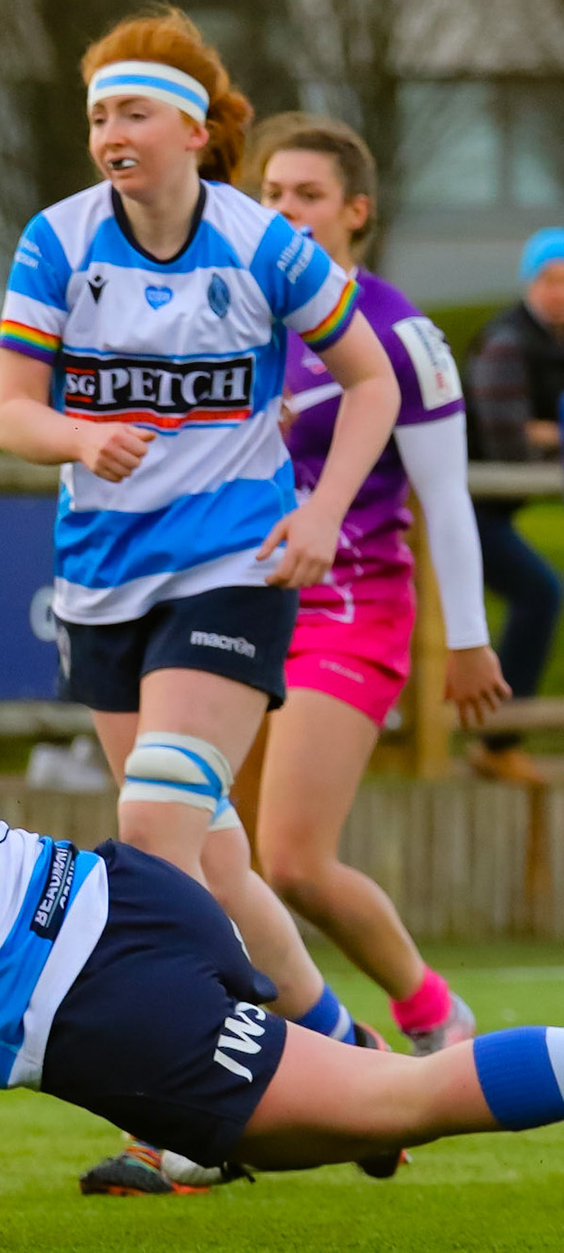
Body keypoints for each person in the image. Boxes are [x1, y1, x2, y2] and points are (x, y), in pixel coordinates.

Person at [0, 575, 564, 1232]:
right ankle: (342, 1049)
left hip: (107, 1001)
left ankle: (363, 1066)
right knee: (312, 1127)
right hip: (128, 900)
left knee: (404, 1099)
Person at [0, 7, 405, 1195]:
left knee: (155, 837)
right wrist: (77, 431)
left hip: (230, 569)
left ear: (193, 129)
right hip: (100, 582)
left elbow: (368, 378)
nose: (107, 133)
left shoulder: (263, 242)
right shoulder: (59, 242)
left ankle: (189, 1117)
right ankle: (351, 1062)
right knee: (215, 860)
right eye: (96, 116)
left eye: (129, 112)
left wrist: (319, 515)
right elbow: (12, 407)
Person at [243, 112, 508, 1059]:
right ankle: (245, 1073)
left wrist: (471, 639)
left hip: (350, 612)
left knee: (294, 860)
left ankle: (433, 1014)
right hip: (237, 608)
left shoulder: (403, 335)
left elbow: (447, 500)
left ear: (356, 211)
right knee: (209, 857)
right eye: (271, 194)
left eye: (308, 196)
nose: (286, 213)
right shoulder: (235, 313)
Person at [459, 227, 564, 785]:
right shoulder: (507, 344)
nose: (558, 292)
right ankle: (498, 740)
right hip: (457, 505)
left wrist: (548, 433)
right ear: (529, 282)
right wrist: (544, 437)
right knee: (539, 594)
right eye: (548, 279)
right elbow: (512, 448)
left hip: (492, 506)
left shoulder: (552, 344)